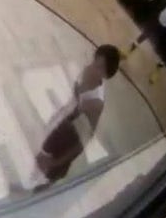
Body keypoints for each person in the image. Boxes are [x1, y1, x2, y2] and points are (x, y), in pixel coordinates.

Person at [25, 45, 122, 190]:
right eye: (95, 61)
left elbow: (84, 140)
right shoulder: (86, 71)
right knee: (42, 155)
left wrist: (57, 162)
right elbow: (75, 99)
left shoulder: (96, 103)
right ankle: (31, 182)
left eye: (99, 67)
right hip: (66, 122)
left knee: (50, 173)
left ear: (106, 75)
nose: (93, 67)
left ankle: (42, 188)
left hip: (72, 136)